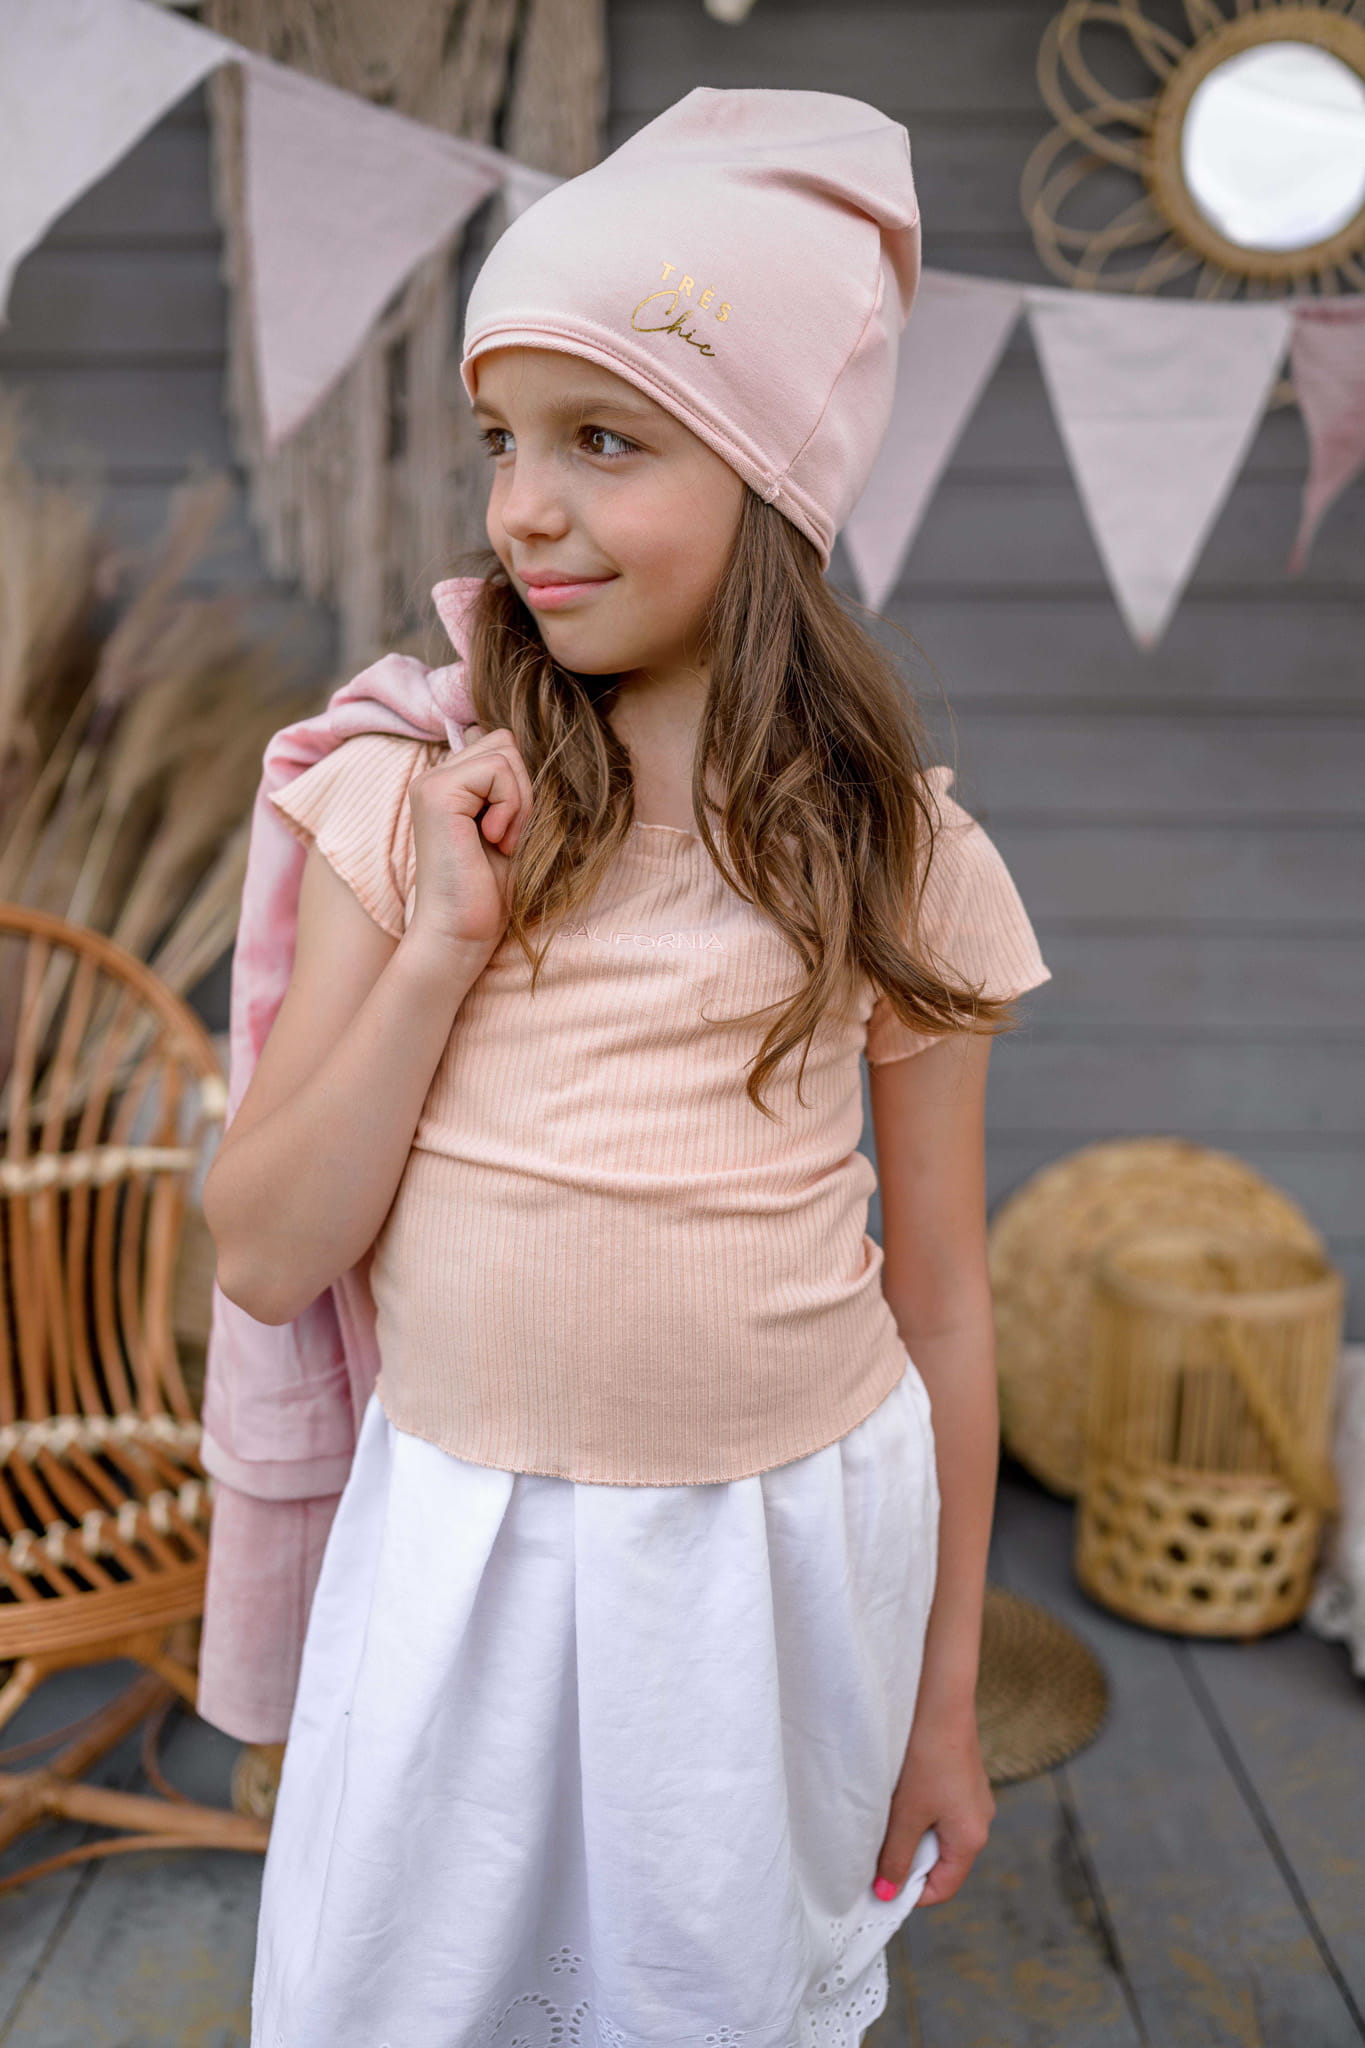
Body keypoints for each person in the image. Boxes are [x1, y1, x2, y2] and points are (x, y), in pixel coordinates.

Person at [203, 85, 1052, 2048]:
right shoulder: (415, 804)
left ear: (767, 480)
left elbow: (939, 1298)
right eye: (502, 439)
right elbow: (262, 1254)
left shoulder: (896, 855)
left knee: (701, 1996)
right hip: (470, 1560)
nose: (521, 506)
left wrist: (938, 1707)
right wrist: (441, 948)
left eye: (603, 438)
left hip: (773, 1564)